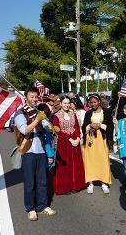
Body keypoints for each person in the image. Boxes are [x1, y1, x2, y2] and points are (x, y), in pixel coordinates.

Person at [13, 86, 56, 221]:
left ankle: (42, 206)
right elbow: (24, 130)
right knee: (30, 182)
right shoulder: (20, 113)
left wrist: (51, 127)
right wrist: (37, 120)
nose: (34, 99)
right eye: (31, 97)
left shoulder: (39, 112)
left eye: (36, 97)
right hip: (28, 151)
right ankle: (30, 208)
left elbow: (46, 127)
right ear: (26, 97)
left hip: (41, 151)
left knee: (42, 181)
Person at [52, 96, 87, 195]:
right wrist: (70, 139)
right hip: (64, 143)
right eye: (64, 103)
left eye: (68, 103)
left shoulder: (73, 114)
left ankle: (76, 185)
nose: (67, 105)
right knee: (65, 166)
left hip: (74, 141)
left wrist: (77, 139)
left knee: (75, 164)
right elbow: (57, 130)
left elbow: (76, 127)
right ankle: (65, 187)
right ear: (61, 104)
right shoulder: (56, 116)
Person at [82, 94, 114, 194]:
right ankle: (90, 183)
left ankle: (104, 183)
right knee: (90, 160)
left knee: (103, 159)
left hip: (102, 139)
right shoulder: (88, 113)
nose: (92, 104)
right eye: (91, 102)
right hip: (90, 140)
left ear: (99, 102)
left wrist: (100, 125)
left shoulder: (107, 112)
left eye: (94, 102)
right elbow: (83, 128)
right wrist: (90, 125)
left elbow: (110, 127)